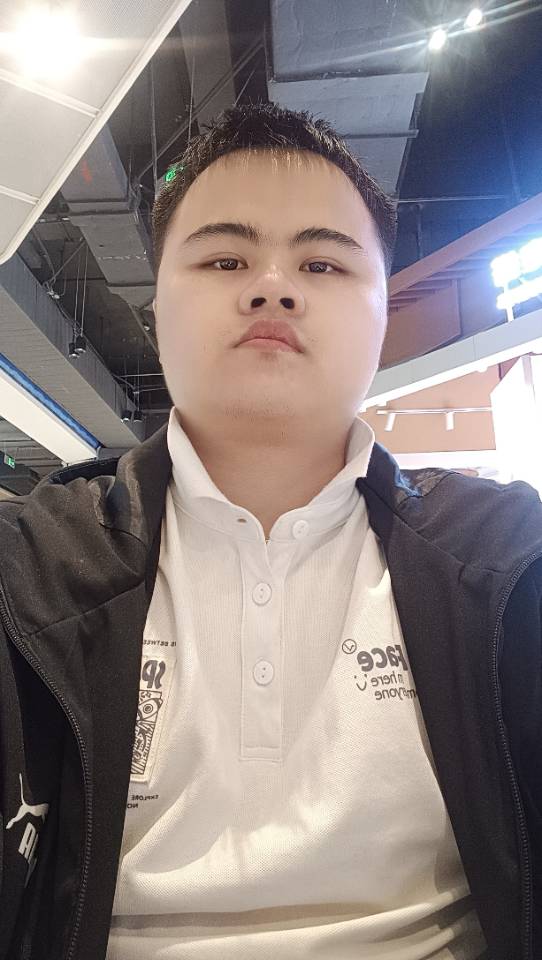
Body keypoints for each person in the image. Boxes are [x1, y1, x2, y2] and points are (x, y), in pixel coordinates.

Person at [0, 102, 540, 960]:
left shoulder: (511, 560)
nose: (274, 287)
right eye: (225, 259)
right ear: (156, 313)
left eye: (323, 263)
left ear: (382, 314)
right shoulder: (26, 570)